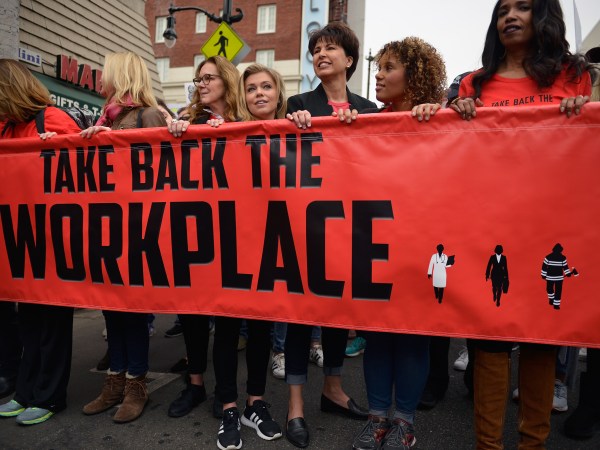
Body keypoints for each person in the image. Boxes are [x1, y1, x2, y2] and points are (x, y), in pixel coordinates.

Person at [449, 1, 593, 447]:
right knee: (489, 344)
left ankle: (533, 443)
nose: (510, 16)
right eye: (502, 10)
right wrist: (451, 117)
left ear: (543, 16)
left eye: (523, 7)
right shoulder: (475, 83)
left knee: (542, 341)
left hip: (551, 230)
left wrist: (584, 113)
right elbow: (451, 152)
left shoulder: (574, 76)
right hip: (489, 228)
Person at [350, 37, 446, 450]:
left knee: (413, 336)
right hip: (376, 244)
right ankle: (377, 419)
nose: (379, 74)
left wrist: (442, 116)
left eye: (389, 67)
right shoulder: (368, 120)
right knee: (378, 336)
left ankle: (403, 422)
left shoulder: (441, 119)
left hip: (421, 246)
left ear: (415, 75)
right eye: (379, 66)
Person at [283, 22, 376, 449]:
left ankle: (333, 389)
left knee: (340, 312)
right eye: (316, 49)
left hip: (352, 226)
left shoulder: (370, 109)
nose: (321, 54)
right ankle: (296, 406)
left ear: (349, 60)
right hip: (308, 226)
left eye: (330, 48)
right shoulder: (300, 103)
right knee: (303, 315)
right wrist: (295, 124)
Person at [80, 52, 166, 424]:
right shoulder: (105, 117)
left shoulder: (147, 114)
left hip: (137, 228)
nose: (101, 77)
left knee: (132, 311)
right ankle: (114, 380)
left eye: (106, 71)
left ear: (120, 75)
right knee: (111, 309)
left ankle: (136, 384)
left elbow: (160, 173)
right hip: (108, 226)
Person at [209, 63, 287, 450]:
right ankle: (227, 407)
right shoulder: (227, 132)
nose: (259, 93)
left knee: (260, 329)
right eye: (251, 87)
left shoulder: (296, 129)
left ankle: (254, 404)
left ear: (278, 93)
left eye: (266, 86)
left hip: (271, 244)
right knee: (226, 329)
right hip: (231, 243)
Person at [0, 58, 80, 425]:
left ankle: (49, 397)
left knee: (52, 322)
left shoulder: (54, 120)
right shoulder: (7, 128)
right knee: (28, 321)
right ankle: (25, 391)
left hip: (54, 241)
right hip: (21, 243)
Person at [164, 56, 240, 424]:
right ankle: (194, 385)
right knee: (192, 314)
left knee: (226, 318)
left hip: (235, 231)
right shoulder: (188, 122)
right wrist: (176, 132)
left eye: (209, 77)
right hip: (193, 229)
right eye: (198, 78)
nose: (202, 83)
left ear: (227, 80)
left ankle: (226, 393)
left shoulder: (246, 124)